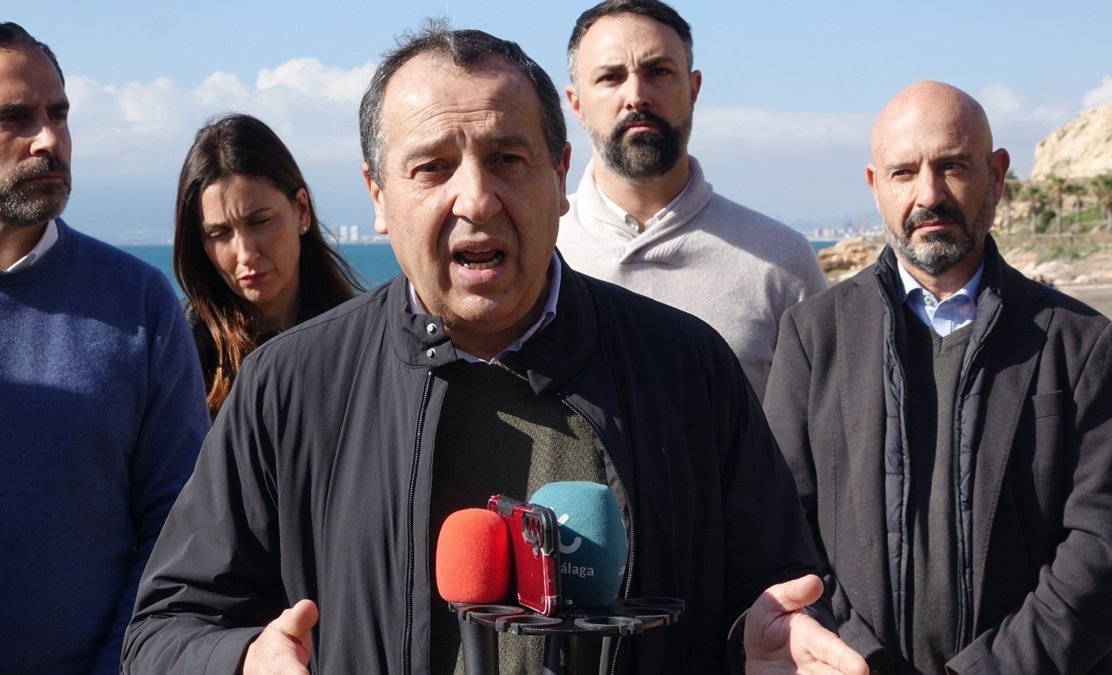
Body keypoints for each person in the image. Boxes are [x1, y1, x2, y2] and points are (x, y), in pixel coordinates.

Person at [122, 24, 866, 675]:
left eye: (508, 158)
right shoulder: (289, 387)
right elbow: (167, 628)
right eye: (432, 167)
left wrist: (772, 640)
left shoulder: (687, 369)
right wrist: (245, 659)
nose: (476, 198)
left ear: (560, 176)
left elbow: (779, 592)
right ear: (377, 195)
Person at [764, 81, 1112, 673]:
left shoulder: (1081, 343)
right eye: (904, 172)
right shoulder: (813, 336)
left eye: (952, 166)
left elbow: (1099, 545)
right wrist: (858, 659)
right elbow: (780, 526)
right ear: (875, 186)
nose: (929, 194)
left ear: (996, 175)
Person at [0, 20, 209, 674]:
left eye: (58, 113)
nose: (48, 139)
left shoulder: (139, 302)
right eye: (13, 118)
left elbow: (177, 522)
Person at [557, 0, 825, 398]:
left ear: (693, 89)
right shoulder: (539, 249)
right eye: (611, 77)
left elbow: (820, 426)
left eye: (658, 72)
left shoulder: (782, 262)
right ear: (576, 104)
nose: (637, 96)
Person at [174, 113, 362, 414]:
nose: (245, 253)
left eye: (259, 222)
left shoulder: (362, 341)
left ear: (301, 210)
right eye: (220, 233)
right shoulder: (177, 348)